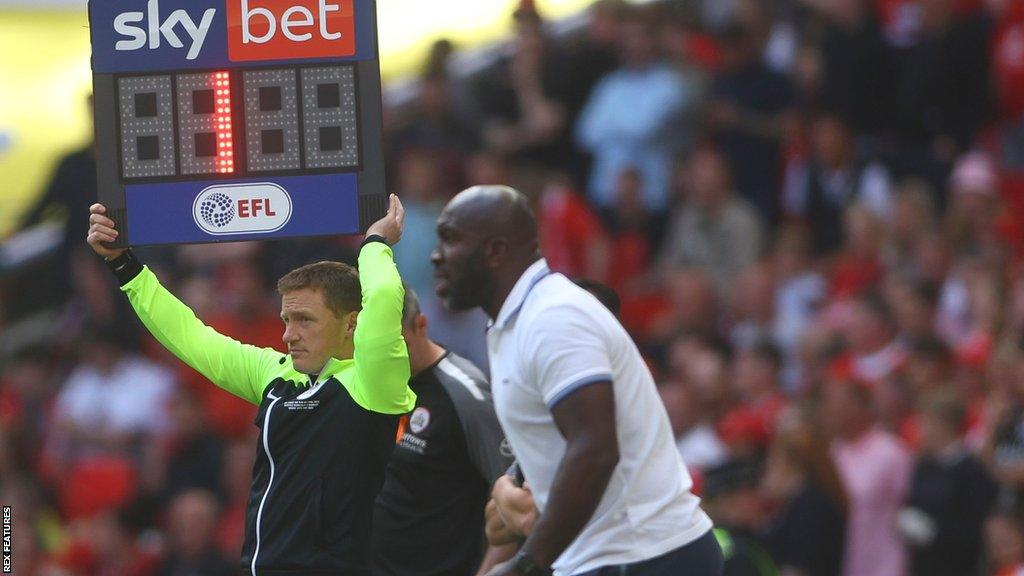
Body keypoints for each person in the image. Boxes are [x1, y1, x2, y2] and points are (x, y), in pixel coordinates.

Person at [85, 195, 416, 576]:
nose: (289, 335)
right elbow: (191, 337)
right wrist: (124, 264)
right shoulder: (276, 374)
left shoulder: (373, 382)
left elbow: (385, 297)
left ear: (351, 324)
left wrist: (375, 243)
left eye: (305, 320)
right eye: (286, 319)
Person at [431, 185, 720, 576]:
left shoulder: (554, 318)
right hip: (614, 558)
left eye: (450, 239)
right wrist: (510, 482)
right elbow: (558, 437)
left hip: (643, 557)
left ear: (495, 251)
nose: (436, 256)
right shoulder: (515, 322)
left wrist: (527, 565)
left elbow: (595, 448)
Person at [373, 285, 514, 576]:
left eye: (396, 346)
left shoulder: (466, 397)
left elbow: (515, 500)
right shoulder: (369, 382)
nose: (388, 361)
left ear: (421, 325)